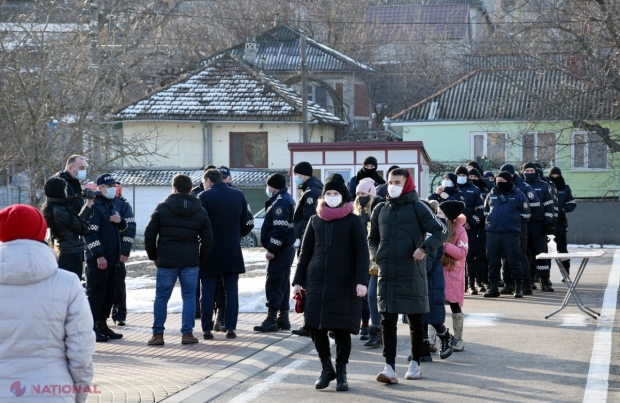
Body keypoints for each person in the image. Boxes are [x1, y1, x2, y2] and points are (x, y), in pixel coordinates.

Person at [0, 205, 95, 403]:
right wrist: (79, 394)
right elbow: (81, 349)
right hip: (52, 391)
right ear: (42, 232)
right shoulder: (68, 283)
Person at [368, 168, 447, 384]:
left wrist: (424, 248)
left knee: (415, 319)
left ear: (407, 184)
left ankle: (415, 365)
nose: (392, 185)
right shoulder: (380, 209)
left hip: (412, 270)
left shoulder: (418, 207)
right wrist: (378, 256)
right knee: (387, 320)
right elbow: (372, 238)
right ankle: (389, 367)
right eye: (390, 181)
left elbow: (441, 230)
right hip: (387, 271)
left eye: (398, 182)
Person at [293, 175, 369, 391]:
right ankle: (326, 367)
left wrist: (361, 281)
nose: (332, 197)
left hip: (345, 282)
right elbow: (305, 252)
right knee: (315, 326)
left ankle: (342, 370)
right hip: (316, 282)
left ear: (343, 196)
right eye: (328, 193)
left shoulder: (354, 221)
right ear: (323, 196)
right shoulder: (315, 220)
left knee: (342, 328)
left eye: (336, 193)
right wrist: (298, 281)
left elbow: (362, 254)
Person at [145, 174, 213, 346]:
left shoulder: (162, 208)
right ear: (190, 190)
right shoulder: (200, 210)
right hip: (190, 260)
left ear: (173, 188)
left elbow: (149, 234)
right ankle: (187, 333)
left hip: (166, 259)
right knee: (189, 297)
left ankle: (158, 334)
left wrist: (154, 256)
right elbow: (208, 239)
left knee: (161, 296)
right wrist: (201, 259)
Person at [199, 169, 254, 340]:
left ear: (208, 181)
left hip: (209, 250)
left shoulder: (203, 197)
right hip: (232, 249)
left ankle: (207, 329)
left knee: (207, 290)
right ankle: (230, 328)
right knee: (231, 291)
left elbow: (199, 223)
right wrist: (237, 235)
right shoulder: (238, 195)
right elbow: (247, 221)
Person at [85, 173, 127, 342]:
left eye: (113, 186)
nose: (112, 189)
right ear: (99, 188)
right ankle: (92, 326)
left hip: (113, 259)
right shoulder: (94, 206)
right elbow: (90, 233)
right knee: (96, 294)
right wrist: (99, 256)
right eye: (108, 187)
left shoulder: (112, 205)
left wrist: (121, 221)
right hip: (99, 260)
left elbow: (121, 228)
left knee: (110, 294)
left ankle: (102, 324)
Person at [254, 173, 296, 332]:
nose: (267, 188)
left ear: (274, 186)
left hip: (280, 250)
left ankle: (272, 318)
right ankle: (283, 318)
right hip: (285, 249)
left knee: (275, 282)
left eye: (268, 185)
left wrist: (272, 249)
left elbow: (280, 229)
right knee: (283, 283)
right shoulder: (286, 199)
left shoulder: (280, 202)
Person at [483, 171, 531, 298]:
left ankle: (518, 287)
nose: (500, 183)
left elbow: (526, 214)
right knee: (493, 261)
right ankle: (493, 287)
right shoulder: (491, 194)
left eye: (503, 181)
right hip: (493, 233)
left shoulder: (519, 195)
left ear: (509, 181)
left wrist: (513, 223)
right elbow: (486, 211)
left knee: (514, 260)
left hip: (510, 233)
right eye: (498, 180)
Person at [291, 161, 323, 337]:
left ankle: (310, 322)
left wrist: (303, 241)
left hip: (308, 245)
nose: (296, 178)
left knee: (308, 283)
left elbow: (308, 222)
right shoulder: (310, 190)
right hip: (308, 244)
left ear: (303, 174)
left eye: (297, 175)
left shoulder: (311, 193)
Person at [41, 177, 93, 280]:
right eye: (65, 189)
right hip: (70, 254)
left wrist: (88, 203)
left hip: (64, 252)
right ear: (59, 191)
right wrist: (89, 204)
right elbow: (82, 228)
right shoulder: (60, 210)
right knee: (71, 286)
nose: (66, 192)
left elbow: (76, 223)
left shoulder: (52, 208)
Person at [499, 163, 539, 295]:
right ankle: (508, 283)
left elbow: (534, 204)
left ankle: (525, 284)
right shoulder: (498, 188)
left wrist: (518, 218)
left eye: (508, 175)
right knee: (506, 256)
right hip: (503, 228)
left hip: (519, 227)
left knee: (520, 255)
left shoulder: (523, 187)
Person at [353, 178, 383, 347]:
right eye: (358, 194)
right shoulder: (357, 213)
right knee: (368, 296)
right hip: (362, 260)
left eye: (363, 193)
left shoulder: (379, 211)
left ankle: (378, 330)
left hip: (377, 260)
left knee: (375, 296)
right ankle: (374, 331)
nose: (360, 197)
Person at [418, 199, 446, 362]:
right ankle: (423, 350)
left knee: (430, 316)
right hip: (420, 276)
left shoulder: (432, 229)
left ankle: (446, 337)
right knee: (419, 317)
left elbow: (429, 257)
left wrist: (416, 273)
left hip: (429, 278)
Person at [438, 200, 468, 352]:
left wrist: (444, 245)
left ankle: (458, 338)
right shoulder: (435, 227)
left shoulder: (460, 230)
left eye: (441, 213)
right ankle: (431, 337)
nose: (438, 215)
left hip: (453, 273)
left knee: (455, 305)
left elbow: (462, 253)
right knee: (434, 304)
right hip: (437, 272)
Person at [522, 162, 555, 292]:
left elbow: (549, 205)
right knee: (525, 253)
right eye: (527, 170)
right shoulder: (519, 186)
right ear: (522, 171)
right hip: (524, 224)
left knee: (540, 253)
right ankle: (528, 281)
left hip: (538, 224)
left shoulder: (543, 186)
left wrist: (548, 222)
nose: (529, 173)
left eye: (531, 170)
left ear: (535, 171)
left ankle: (544, 280)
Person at [190, 164, 216, 320]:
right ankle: (197, 308)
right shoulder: (196, 193)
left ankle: (211, 309)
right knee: (197, 277)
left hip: (211, 238)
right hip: (198, 240)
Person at [453, 166, 484, 295]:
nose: (461, 177)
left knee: (470, 256)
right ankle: (457, 284)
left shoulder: (474, 190)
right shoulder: (450, 189)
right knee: (452, 258)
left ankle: (471, 284)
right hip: (452, 229)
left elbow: (480, 210)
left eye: (463, 175)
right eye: (458, 175)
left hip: (468, 229)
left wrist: (470, 223)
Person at [111, 182, 136, 326]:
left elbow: (130, 228)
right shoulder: (93, 203)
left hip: (118, 251)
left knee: (118, 284)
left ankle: (119, 315)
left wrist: (125, 250)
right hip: (100, 252)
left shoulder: (123, 205)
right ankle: (98, 318)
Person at [548, 167, 577, 276]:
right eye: (553, 175)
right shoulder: (546, 186)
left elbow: (572, 203)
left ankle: (565, 272)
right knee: (545, 249)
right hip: (547, 221)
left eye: (557, 175)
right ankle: (545, 276)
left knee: (562, 249)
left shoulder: (565, 188)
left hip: (560, 222)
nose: (555, 177)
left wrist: (564, 209)